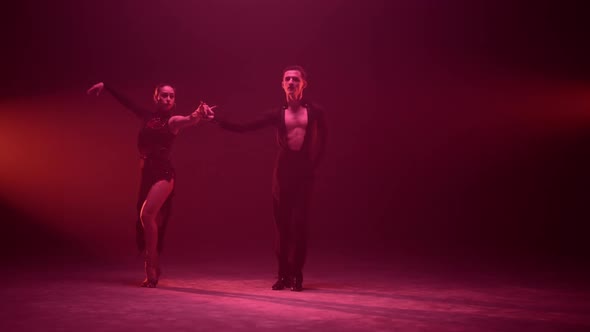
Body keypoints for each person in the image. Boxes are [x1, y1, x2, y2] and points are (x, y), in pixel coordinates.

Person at [87, 82, 214, 288]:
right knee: (144, 216)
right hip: (146, 173)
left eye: (171, 96)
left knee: (146, 215)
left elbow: (189, 119)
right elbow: (127, 103)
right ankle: (154, 261)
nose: (168, 99)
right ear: (156, 97)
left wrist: (199, 113)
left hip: (163, 174)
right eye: (164, 95)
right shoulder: (147, 116)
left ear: (174, 100)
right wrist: (108, 87)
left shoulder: (172, 121)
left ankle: (151, 264)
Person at [214, 66, 327, 291]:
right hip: (283, 173)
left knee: (300, 226)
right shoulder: (277, 113)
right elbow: (245, 127)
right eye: (288, 79)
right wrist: (216, 119)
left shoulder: (315, 111)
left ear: (304, 83)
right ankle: (283, 275)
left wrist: (313, 166)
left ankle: (297, 275)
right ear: (282, 84)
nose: (292, 82)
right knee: (282, 226)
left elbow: (324, 141)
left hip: (304, 173)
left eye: (296, 79)